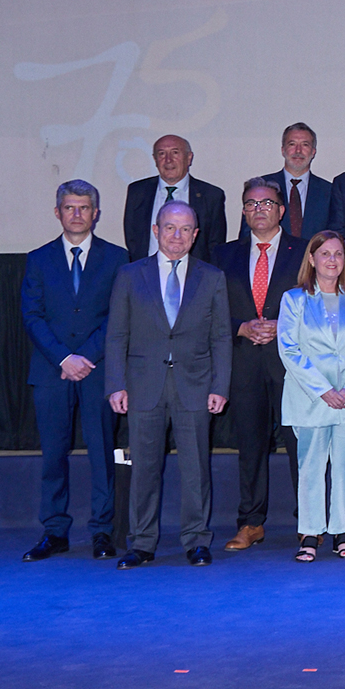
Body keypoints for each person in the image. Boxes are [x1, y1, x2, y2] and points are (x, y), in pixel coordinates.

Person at [104, 201, 231, 569]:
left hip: (195, 385)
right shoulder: (130, 275)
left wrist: (219, 386)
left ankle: (196, 541)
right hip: (143, 386)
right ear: (156, 230)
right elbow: (116, 335)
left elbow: (222, 337)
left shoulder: (212, 277)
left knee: (196, 468)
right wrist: (115, 384)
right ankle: (141, 542)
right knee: (143, 468)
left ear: (195, 234)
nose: (177, 236)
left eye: (185, 229)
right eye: (170, 228)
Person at [20, 180, 130, 562]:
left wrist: (85, 356)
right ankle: (54, 531)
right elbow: (31, 316)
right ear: (58, 213)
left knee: (102, 451)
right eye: (70, 208)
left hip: (98, 370)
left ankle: (102, 531)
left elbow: (119, 315)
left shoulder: (117, 258)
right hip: (52, 372)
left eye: (84, 208)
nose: (77, 214)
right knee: (54, 454)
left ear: (96, 213)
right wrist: (64, 359)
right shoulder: (38, 259)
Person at [278, 231, 345, 562]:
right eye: (325, 254)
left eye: (338, 254)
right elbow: (289, 349)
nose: (332, 260)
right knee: (310, 465)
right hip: (311, 398)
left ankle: (341, 531)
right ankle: (310, 533)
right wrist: (323, 390)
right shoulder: (293, 299)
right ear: (312, 259)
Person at [214, 179, 304, 553]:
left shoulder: (305, 251)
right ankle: (251, 522)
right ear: (243, 211)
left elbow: (318, 304)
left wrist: (284, 325)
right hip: (244, 361)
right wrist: (241, 326)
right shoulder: (223, 255)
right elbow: (211, 309)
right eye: (251, 204)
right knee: (250, 445)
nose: (259, 209)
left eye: (267, 203)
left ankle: (310, 521)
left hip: (293, 362)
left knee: (302, 444)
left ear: (281, 210)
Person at [122, 134, 227, 263]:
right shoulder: (137, 192)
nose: (168, 160)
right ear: (155, 160)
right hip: (146, 274)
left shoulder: (211, 195)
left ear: (189, 158)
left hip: (193, 277)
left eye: (175, 153)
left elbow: (215, 245)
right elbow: (132, 239)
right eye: (161, 154)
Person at [243, 122, 331, 242]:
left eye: (305, 145)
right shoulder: (261, 188)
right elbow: (246, 235)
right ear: (283, 150)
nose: (298, 150)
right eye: (292, 144)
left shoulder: (329, 191)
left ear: (313, 151)